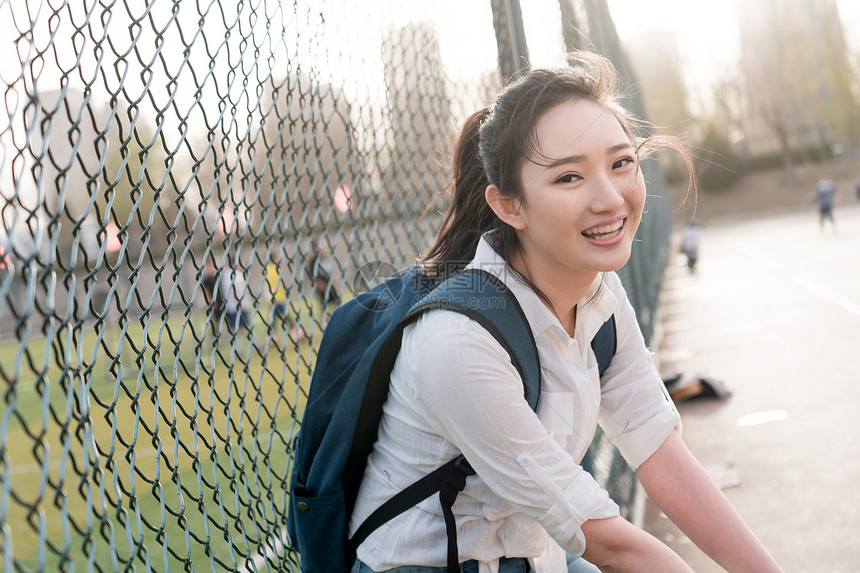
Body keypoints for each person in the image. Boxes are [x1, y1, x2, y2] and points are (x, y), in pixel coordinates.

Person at [348, 52, 783, 573]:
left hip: (534, 554)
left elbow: (660, 455)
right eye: (569, 178)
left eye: (621, 163)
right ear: (508, 206)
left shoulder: (600, 292)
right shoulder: (457, 341)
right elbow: (608, 542)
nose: (610, 199)